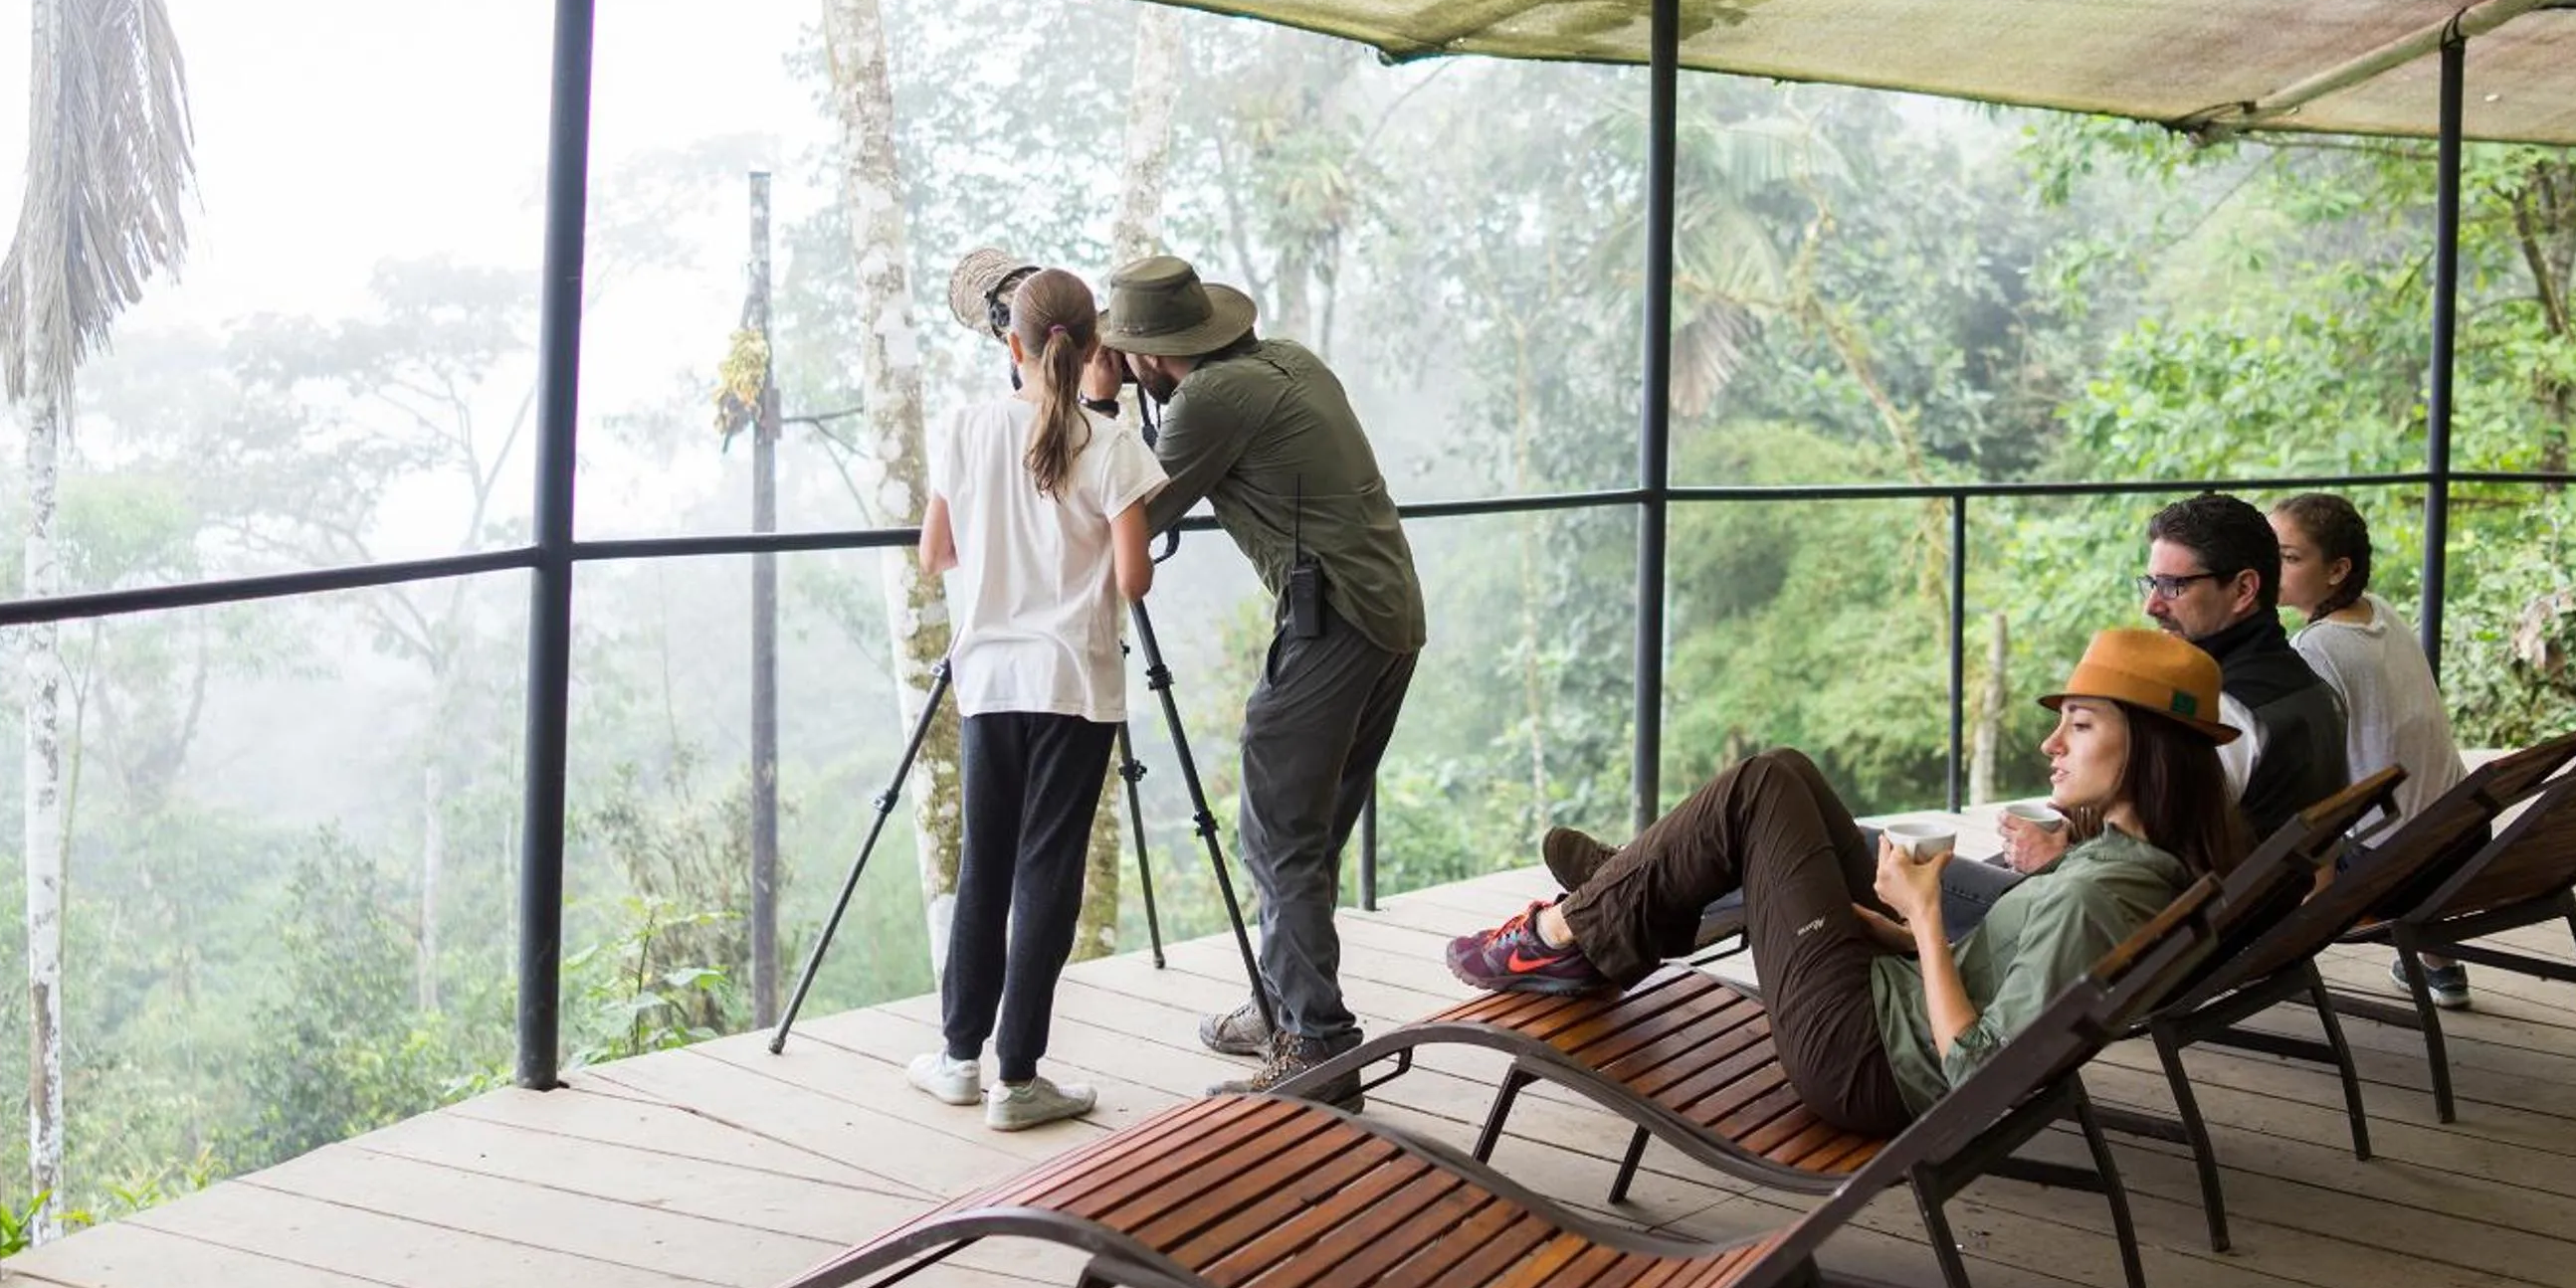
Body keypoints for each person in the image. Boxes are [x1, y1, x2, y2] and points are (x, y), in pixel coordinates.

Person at [1451, 631, 2247, 1131]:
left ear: (2147, 748)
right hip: (1883, 1005)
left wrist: (1927, 917)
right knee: (1787, 774)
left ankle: (1566, 934)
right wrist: (1894, 929)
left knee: (1761, 786)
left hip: (1862, 1060)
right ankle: (1639, 899)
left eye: (2079, 724)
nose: (2051, 744)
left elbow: (1982, 1069)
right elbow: (2001, 972)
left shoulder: (2094, 897)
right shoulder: (2127, 862)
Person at [1084, 255, 1425, 1100]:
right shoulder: (1288, 360)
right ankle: (1283, 1006)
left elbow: (1128, 512)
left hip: (1335, 622)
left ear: (1148, 357)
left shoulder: (1208, 400)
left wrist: (1097, 403)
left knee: (1279, 835)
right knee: (1306, 833)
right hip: (1387, 615)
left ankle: (1316, 1046)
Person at [904, 268, 1165, 1131]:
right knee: (1046, 871)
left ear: (1009, 346)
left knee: (984, 864)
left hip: (989, 682)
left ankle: (955, 1060)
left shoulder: (969, 428)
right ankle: (1019, 1079)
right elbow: (1134, 578)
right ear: (1095, 351)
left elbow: (933, 554)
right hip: (1074, 684)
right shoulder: (1112, 444)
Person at [2271, 491, 2475, 1008]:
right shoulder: (2379, 612)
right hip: (2460, 840)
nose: (2272, 566)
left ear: (2337, 570)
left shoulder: (2315, 648)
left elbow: (2310, 781)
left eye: (2290, 557)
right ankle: (2439, 963)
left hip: (2391, 870)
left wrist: (2313, 899)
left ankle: (2250, 962)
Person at [2131, 491, 2347, 846]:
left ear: (2244, 589)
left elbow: (2156, 845)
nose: (2151, 606)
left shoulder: (2222, 711)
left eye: (2172, 586)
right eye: (2153, 584)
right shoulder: (2312, 687)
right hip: (2270, 894)